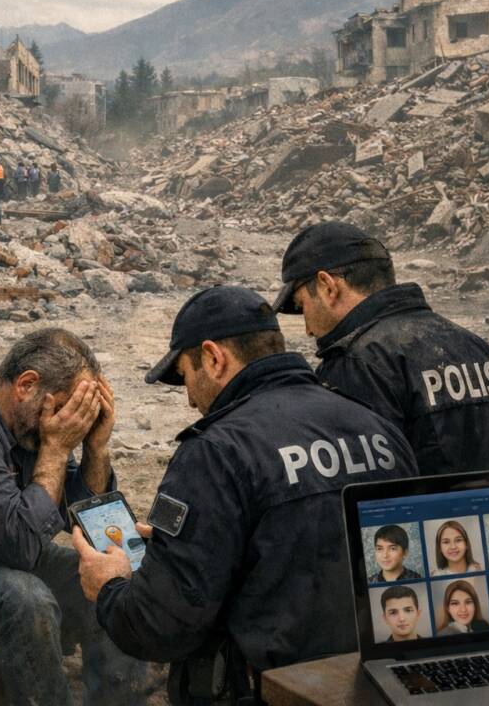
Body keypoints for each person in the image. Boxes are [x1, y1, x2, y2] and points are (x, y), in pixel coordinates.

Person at [73, 285, 417, 704]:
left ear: (213, 358)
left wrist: (109, 586)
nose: (190, 399)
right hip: (383, 685)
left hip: (273, 691)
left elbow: (161, 626)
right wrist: (185, 545)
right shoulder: (377, 428)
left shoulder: (215, 453)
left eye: (185, 376)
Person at [0, 328, 149, 705]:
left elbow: (83, 516)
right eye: (67, 408)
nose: (69, 423)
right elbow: (19, 544)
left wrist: (96, 448)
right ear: (26, 385)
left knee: (116, 577)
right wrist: (56, 449)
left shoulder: (32, 424)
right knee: (26, 601)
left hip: (9, 556)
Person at [273, 221, 489, 476]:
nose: (308, 330)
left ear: (328, 286)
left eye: (302, 306)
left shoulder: (356, 365)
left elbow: (355, 485)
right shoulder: (478, 348)